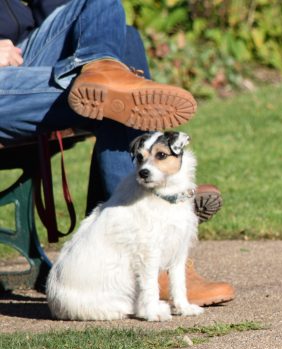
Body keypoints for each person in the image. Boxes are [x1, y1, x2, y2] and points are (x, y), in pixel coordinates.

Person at [0, 0, 234, 306]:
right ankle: (151, 242)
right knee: (117, 96)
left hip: (22, 53)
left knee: (118, 44)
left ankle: (128, 245)